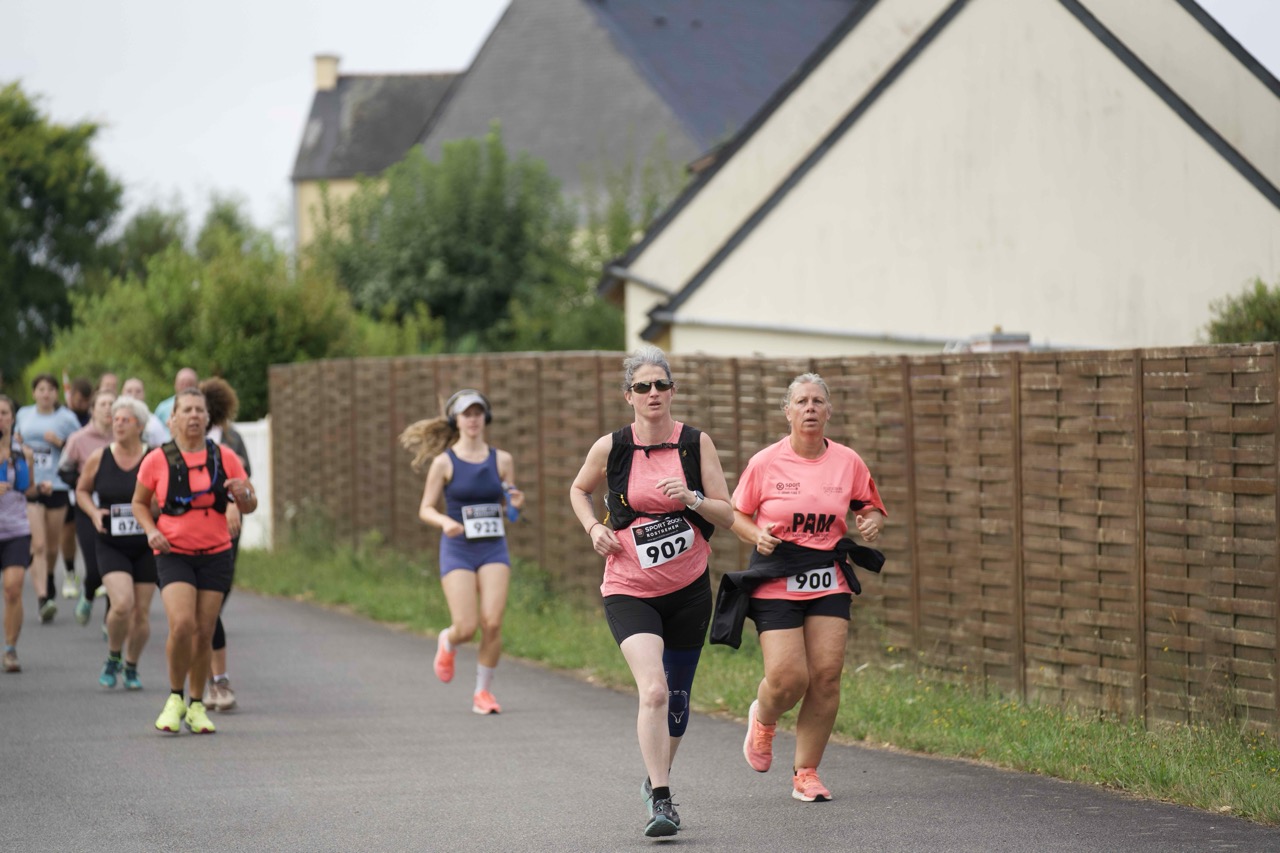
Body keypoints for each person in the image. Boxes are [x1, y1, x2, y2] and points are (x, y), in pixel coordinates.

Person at [569, 346, 734, 838]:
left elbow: (728, 514)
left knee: (677, 701)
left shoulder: (696, 444)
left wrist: (693, 499)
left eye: (661, 385)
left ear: (673, 391)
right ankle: (662, 799)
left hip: (688, 589)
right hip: (628, 587)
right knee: (655, 690)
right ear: (629, 396)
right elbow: (578, 490)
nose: (653, 393)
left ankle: (654, 776)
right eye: (643, 386)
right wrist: (593, 529)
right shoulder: (612, 447)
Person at [719, 372, 887, 804]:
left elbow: (870, 505)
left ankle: (806, 773)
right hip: (777, 573)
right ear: (787, 412)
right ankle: (764, 719)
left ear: (829, 411)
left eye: (817, 401)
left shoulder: (848, 461)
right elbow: (736, 513)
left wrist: (870, 522)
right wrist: (755, 534)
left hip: (827, 574)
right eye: (801, 401)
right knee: (788, 678)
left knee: (826, 677)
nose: (810, 408)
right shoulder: (766, 462)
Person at [132, 388, 256, 734]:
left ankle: (197, 704)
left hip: (216, 553)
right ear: (173, 418)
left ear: (207, 417)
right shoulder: (157, 459)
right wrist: (150, 530)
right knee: (182, 625)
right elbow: (139, 503)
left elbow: (250, 503)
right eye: (186, 410)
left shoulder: (226, 457)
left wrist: (244, 496)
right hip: (174, 553)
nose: (193, 416)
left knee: (204, 631)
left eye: (199, 410)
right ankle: (175, 697)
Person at [400, 389, 524, 717]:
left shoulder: (502, 460)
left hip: (493, 547)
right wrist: (445, 522)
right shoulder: (444, 462)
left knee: (492, 623)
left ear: (486, 417)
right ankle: (450, 641)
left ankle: (483, 691)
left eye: (478, 413)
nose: (473, 419)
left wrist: (515, 504)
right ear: (456, 419)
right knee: (467, 627)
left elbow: (510, 511)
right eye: (466, 414)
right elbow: (425, 508)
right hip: (458, 548)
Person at [76, 396, 157, 691]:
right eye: (116, 419)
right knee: (122, 604)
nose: (118, 425)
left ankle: (131, 665)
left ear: (140, 426)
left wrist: (158, 508)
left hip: (147, 543)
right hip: (111, 542)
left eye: (126, 420)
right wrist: (94, 512)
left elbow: (168, 494)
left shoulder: (154, 458)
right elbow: (82, 490)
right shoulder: (100, 457)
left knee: (141, 613)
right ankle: (113, 656)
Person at [199, 377, 250, 712]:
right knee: (202, 612)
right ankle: (213, 682)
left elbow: (245, 480)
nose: (196, 416)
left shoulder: (231, 441)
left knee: (214, 603)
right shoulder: (178, 445)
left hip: (225, 532)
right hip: (188, 538)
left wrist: (234, 503)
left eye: (201, 409)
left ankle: (213, 681)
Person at [15, 374, 81, 622]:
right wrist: (20, 445)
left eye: (50, 389)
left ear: (56, 393)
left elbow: (79, 449)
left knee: (53, 547)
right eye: (41, 389)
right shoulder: (23, 415)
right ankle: (43, 598)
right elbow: (13, 443)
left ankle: (50, 577)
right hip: (30, 487)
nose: (45, 393)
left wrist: (60, 442)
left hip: (57, 485)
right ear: (34, 392)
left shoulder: (66, 418)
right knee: (39, 545)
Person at [59, 390, 115, 626]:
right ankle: (89, 593)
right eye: (103, 404)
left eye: (112, 404)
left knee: (115, 567)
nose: (108, 408)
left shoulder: (125, 436)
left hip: (116, 508)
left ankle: (110, 621)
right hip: (87, 506)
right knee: (94, 567)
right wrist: (84, 483)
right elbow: (63, 469)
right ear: (93, 410)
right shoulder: (79, 438)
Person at [0, 395, 37, 672]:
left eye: (4, 413)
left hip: (16, 530)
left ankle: (10, 648)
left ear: (12, 418)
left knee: (13, 589)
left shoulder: (24, 453)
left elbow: (28, 489)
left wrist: (41, 488)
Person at [151, 367, 198, 444]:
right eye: (182, 383)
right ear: (175, 384)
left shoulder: (203, 407)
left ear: (196, 385)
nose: (185, 387)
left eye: (189, 383)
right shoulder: (163, 407)